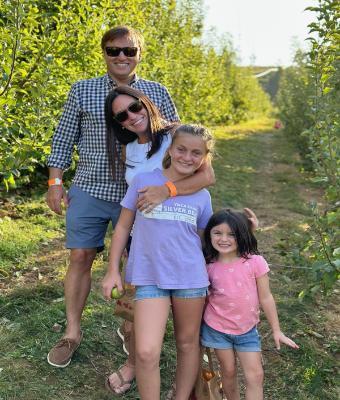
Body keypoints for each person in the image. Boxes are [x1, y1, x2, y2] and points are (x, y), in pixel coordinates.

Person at [45, 25, 180, 368]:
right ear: (104, 53)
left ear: (139, 53)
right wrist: (55, 182)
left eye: (129, 50)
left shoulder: (156, 92)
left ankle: (129, 326)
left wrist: (172, 188)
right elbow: (63, 139)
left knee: (138, 269)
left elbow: (179, 144)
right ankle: (72, 332)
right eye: (114, 50)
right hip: (91, 187)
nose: (121, 56)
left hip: (141, 198)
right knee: (80, 256)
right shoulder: (82, 90)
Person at [103, 89, 216, 395]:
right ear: (170, 148)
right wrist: (113, 269)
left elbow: (209, 238)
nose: (187, 158)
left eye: (196, 154)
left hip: (190, 278)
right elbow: (124, 225)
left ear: (205, 159)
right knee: (146, 351)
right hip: (150, 275)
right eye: (181, 150)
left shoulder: (201, 195)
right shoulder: (143, 181)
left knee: (187, 343)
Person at [200, 209, 299, 400]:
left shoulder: (255, 262)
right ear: (209, 234)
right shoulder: (208, 265)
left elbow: (266, 297)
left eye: (232, 234)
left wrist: (277, 330)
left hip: (247, 331)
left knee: (256, 375)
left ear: (242, 235)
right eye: (217, 233)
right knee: (227, 372)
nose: (224, 239)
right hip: (217, 329)